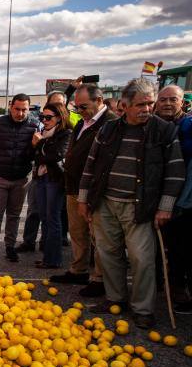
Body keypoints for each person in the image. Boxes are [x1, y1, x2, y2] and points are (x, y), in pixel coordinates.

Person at [77, 78, 185, 328]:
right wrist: (84, 200)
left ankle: (143, 309)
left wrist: (165, 206)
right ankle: (115, 299)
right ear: (124, 105)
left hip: (141, 206)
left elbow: (175, 171)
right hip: (105, 202)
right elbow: (91, 166)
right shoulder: (109, 129)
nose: (146, 109)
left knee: (142, 258)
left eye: (150, 103)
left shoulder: (164, 131)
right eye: (140, 104)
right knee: (108, 254)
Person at [50, 84, 118, 295]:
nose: (79, 111)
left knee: (98, 235)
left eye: (84, 106)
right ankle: (78, 269)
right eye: (77, 107)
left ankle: (99, 278)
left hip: (94, 190)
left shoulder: (112, 123)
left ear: (99, 101)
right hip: (74, 186)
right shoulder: (82, 123)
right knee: (77, 232)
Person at [0, 93, 39, 262]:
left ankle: (10, 248)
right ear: (10, 107)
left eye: (24, 110)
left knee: (14, 214)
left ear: (29, 109)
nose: (20, 113)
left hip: (21, 179)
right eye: (17, 109)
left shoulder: (36, 126)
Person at [154, 84, 192, 310]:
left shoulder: (187, 125)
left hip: (182, 199)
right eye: (163, 99)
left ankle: (178, 289)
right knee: (155, 247)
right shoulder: (151, 125)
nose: (168, 103)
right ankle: (159, 286)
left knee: (181, 247)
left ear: (182, 103)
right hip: (153, 196)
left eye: (173, 100)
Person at [33, 103, 72, 268]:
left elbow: (56, 155)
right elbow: (38, 156)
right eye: (42, 117)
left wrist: (40, 144)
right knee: (44, 218)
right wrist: (41, 148)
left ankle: (53, 259)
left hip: (54, 179)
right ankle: (48, 257)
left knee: (53, 218)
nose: (44, 120)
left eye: (48, 117)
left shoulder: (66, 133)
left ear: (59, 117)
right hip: (41, 177)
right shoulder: (43, 132)